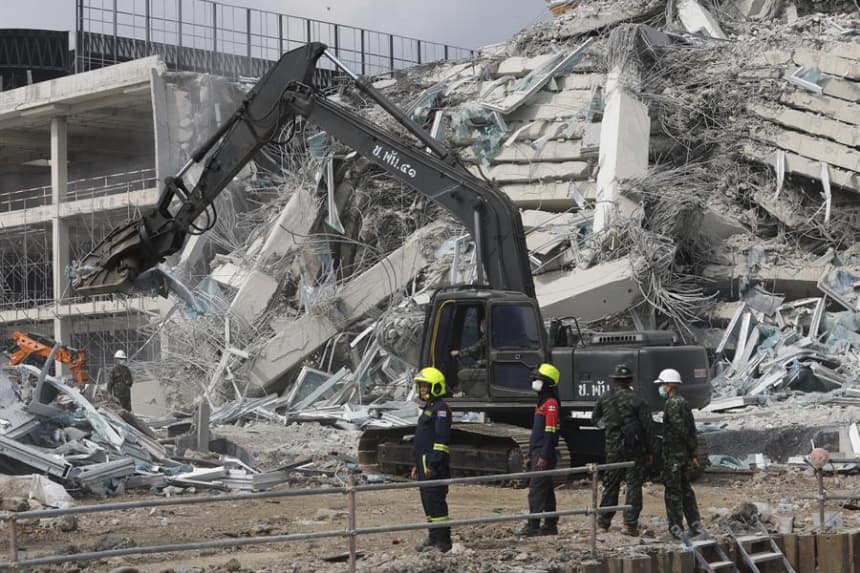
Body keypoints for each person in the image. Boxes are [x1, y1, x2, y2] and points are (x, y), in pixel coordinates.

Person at [591, 364, 654, 536]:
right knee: (633, 485)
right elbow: (648, 427)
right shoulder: (637, 399)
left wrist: (609, 427)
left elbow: (595, 419)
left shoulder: (605, 397)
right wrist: (650, 450)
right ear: (630, 380)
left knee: (611, 484)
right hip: (634, 448)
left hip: (613, 448)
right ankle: (629, 524)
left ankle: (603, 523)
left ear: (615, 380)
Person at [655, 368, 702, 539]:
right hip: (682, 455)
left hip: (674, 455)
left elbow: (680, 429)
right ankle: (695, 524)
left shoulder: (672, 403)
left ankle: (676, 529)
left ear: (669, 385)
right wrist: (692, 452)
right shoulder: (683, 402)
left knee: (673, 493)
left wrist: (688, 449)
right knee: (686, 490)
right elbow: (691, 429)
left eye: (662, 384)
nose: (661, 388)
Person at [410, 367, 452, 553]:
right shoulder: (429, 407)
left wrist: (433, 465)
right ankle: (433, 536)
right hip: (423, 463)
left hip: (433, 465)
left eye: (425, 386)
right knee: (427, 502)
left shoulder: (441, 409)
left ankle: (443, 541)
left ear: (435, 387)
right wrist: (416, 465)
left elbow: (441, 440)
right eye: (420, 386)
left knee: (435, 502)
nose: (422, 390)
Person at [517, 363, 561, 536]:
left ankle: (533, 526)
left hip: (544, 452)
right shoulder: (542, 402)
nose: (535, 382)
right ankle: (550, 525)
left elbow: (550, 432)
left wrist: (544, 455)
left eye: (538, 379)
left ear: (547, 383)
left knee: (536, 490)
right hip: (538, 451)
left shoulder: (550, 404)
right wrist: (530, 454)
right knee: (546, 490)